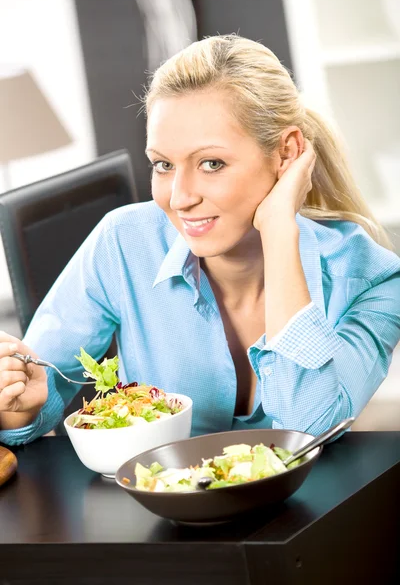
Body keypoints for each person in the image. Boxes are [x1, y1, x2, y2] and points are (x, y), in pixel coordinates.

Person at [1, 35, 400, 446]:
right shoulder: (123, 243)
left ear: (287, 154)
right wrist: (21, 407)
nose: (180, 198)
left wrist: (280, 230)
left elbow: (310, 425)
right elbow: (32, 399)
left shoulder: (371, 278)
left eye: (212, 163)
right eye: (163, 165)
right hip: (158, 505)